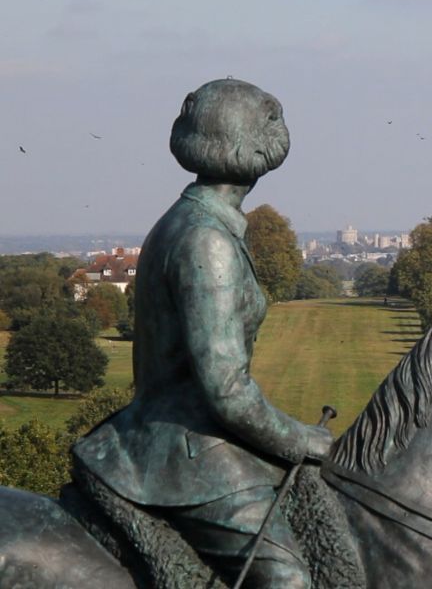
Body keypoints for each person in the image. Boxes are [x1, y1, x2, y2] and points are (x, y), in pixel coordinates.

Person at [72, 78, 332, 588]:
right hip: (184, 452)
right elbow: (228, 392)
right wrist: (307, 439)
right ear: (255, 150)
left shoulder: (195, 220)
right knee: (289, 581)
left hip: (185, 436)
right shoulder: (205, 240)